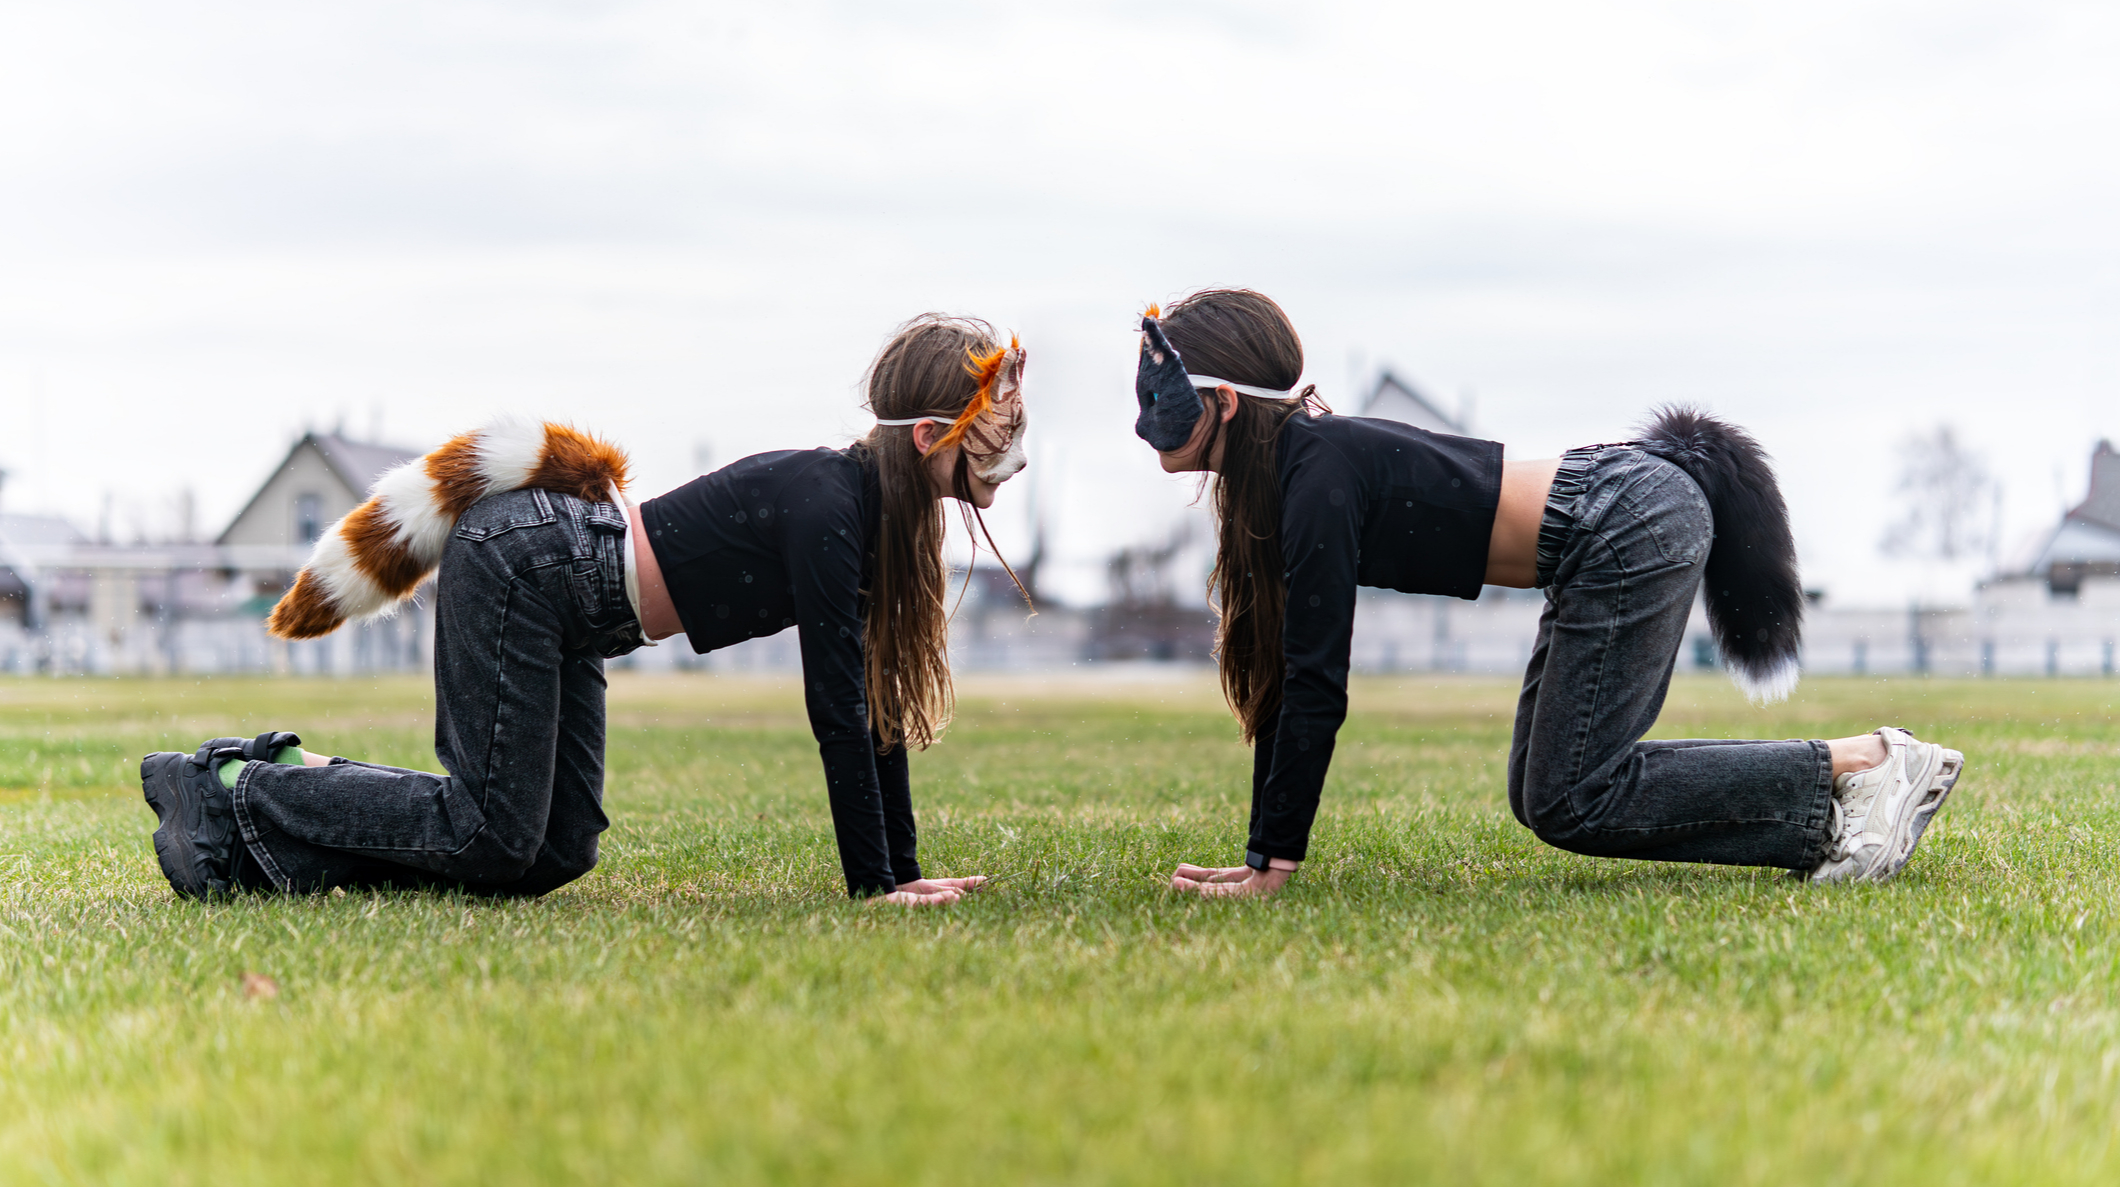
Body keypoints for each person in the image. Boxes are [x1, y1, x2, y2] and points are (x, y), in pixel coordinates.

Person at [141, 314, 1029, 906]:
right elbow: (836, 703)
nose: (1008, 465)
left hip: (573, 602)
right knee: (489, 833)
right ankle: (235, 785)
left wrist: (905, 876)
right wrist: (873, 887)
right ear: (927, 438)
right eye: (995, 442)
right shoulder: (831, 505)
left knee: (555, 851)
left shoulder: (867, 515)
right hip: (527, 566)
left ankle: (274, 808)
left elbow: (874, 709)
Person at [1130, 289, 1964, 899]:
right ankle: (1841, 807)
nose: (1145, 422)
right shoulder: (1291, 476)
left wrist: (1273, 869)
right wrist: (1260, 851)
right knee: (1546, 792)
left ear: (1226, 404)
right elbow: (1283, 677)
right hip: (1604, 529)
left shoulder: (1315, 475)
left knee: (1570, 793)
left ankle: (1869, 765)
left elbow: (1316, 679)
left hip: (1624, 520)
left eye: (1163, 399)